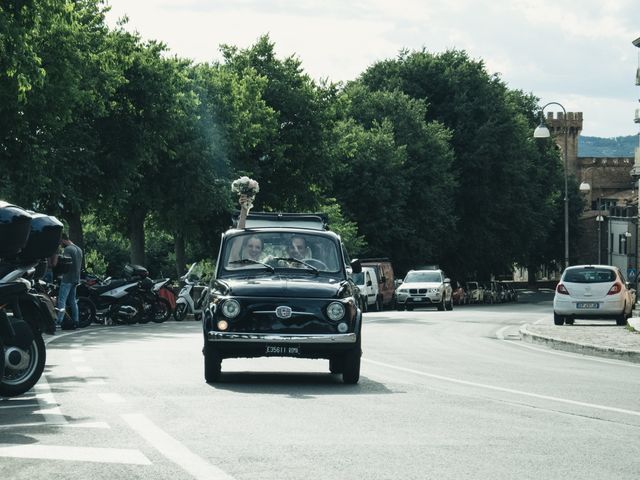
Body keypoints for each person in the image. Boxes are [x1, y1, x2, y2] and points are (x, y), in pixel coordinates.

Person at [54, 233, 83, 330]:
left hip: (67, 278)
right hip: (76, 278)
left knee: (62, 300)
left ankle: (59, 320)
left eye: (61, 241)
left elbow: (65, 264)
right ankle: (76, 320)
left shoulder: (68, 249)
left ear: (63, 239)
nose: (61, 243)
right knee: (73, 301)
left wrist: (60, 274)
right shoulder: (79, 249)